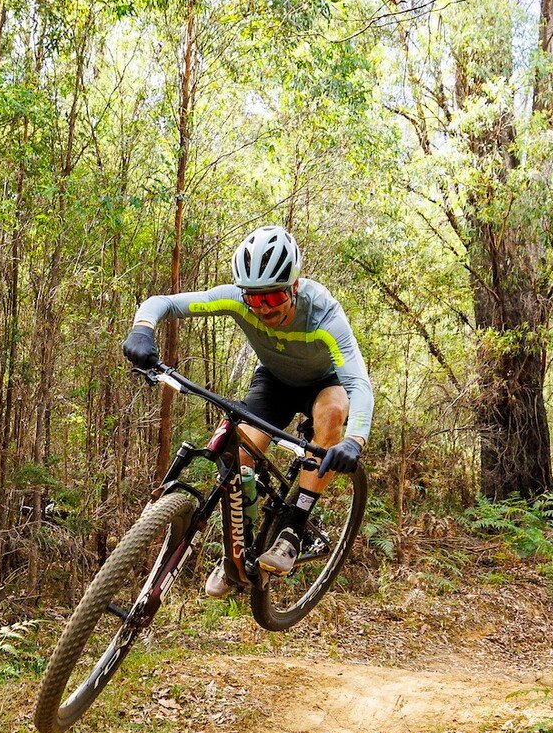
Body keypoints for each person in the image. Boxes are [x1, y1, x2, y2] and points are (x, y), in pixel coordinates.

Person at [121, 224, 373, 597]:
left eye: (273, 298)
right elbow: (165, 302)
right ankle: (239, 554)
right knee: (240, 456)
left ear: (294, 286)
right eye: (255, 300)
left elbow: (358, 384)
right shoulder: (238, 300)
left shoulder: (323, 315)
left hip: (324, 385)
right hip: (273, 382)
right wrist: (143, 329)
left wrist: (355, 439)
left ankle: (294, 527)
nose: (263, 308)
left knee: (333, 412)